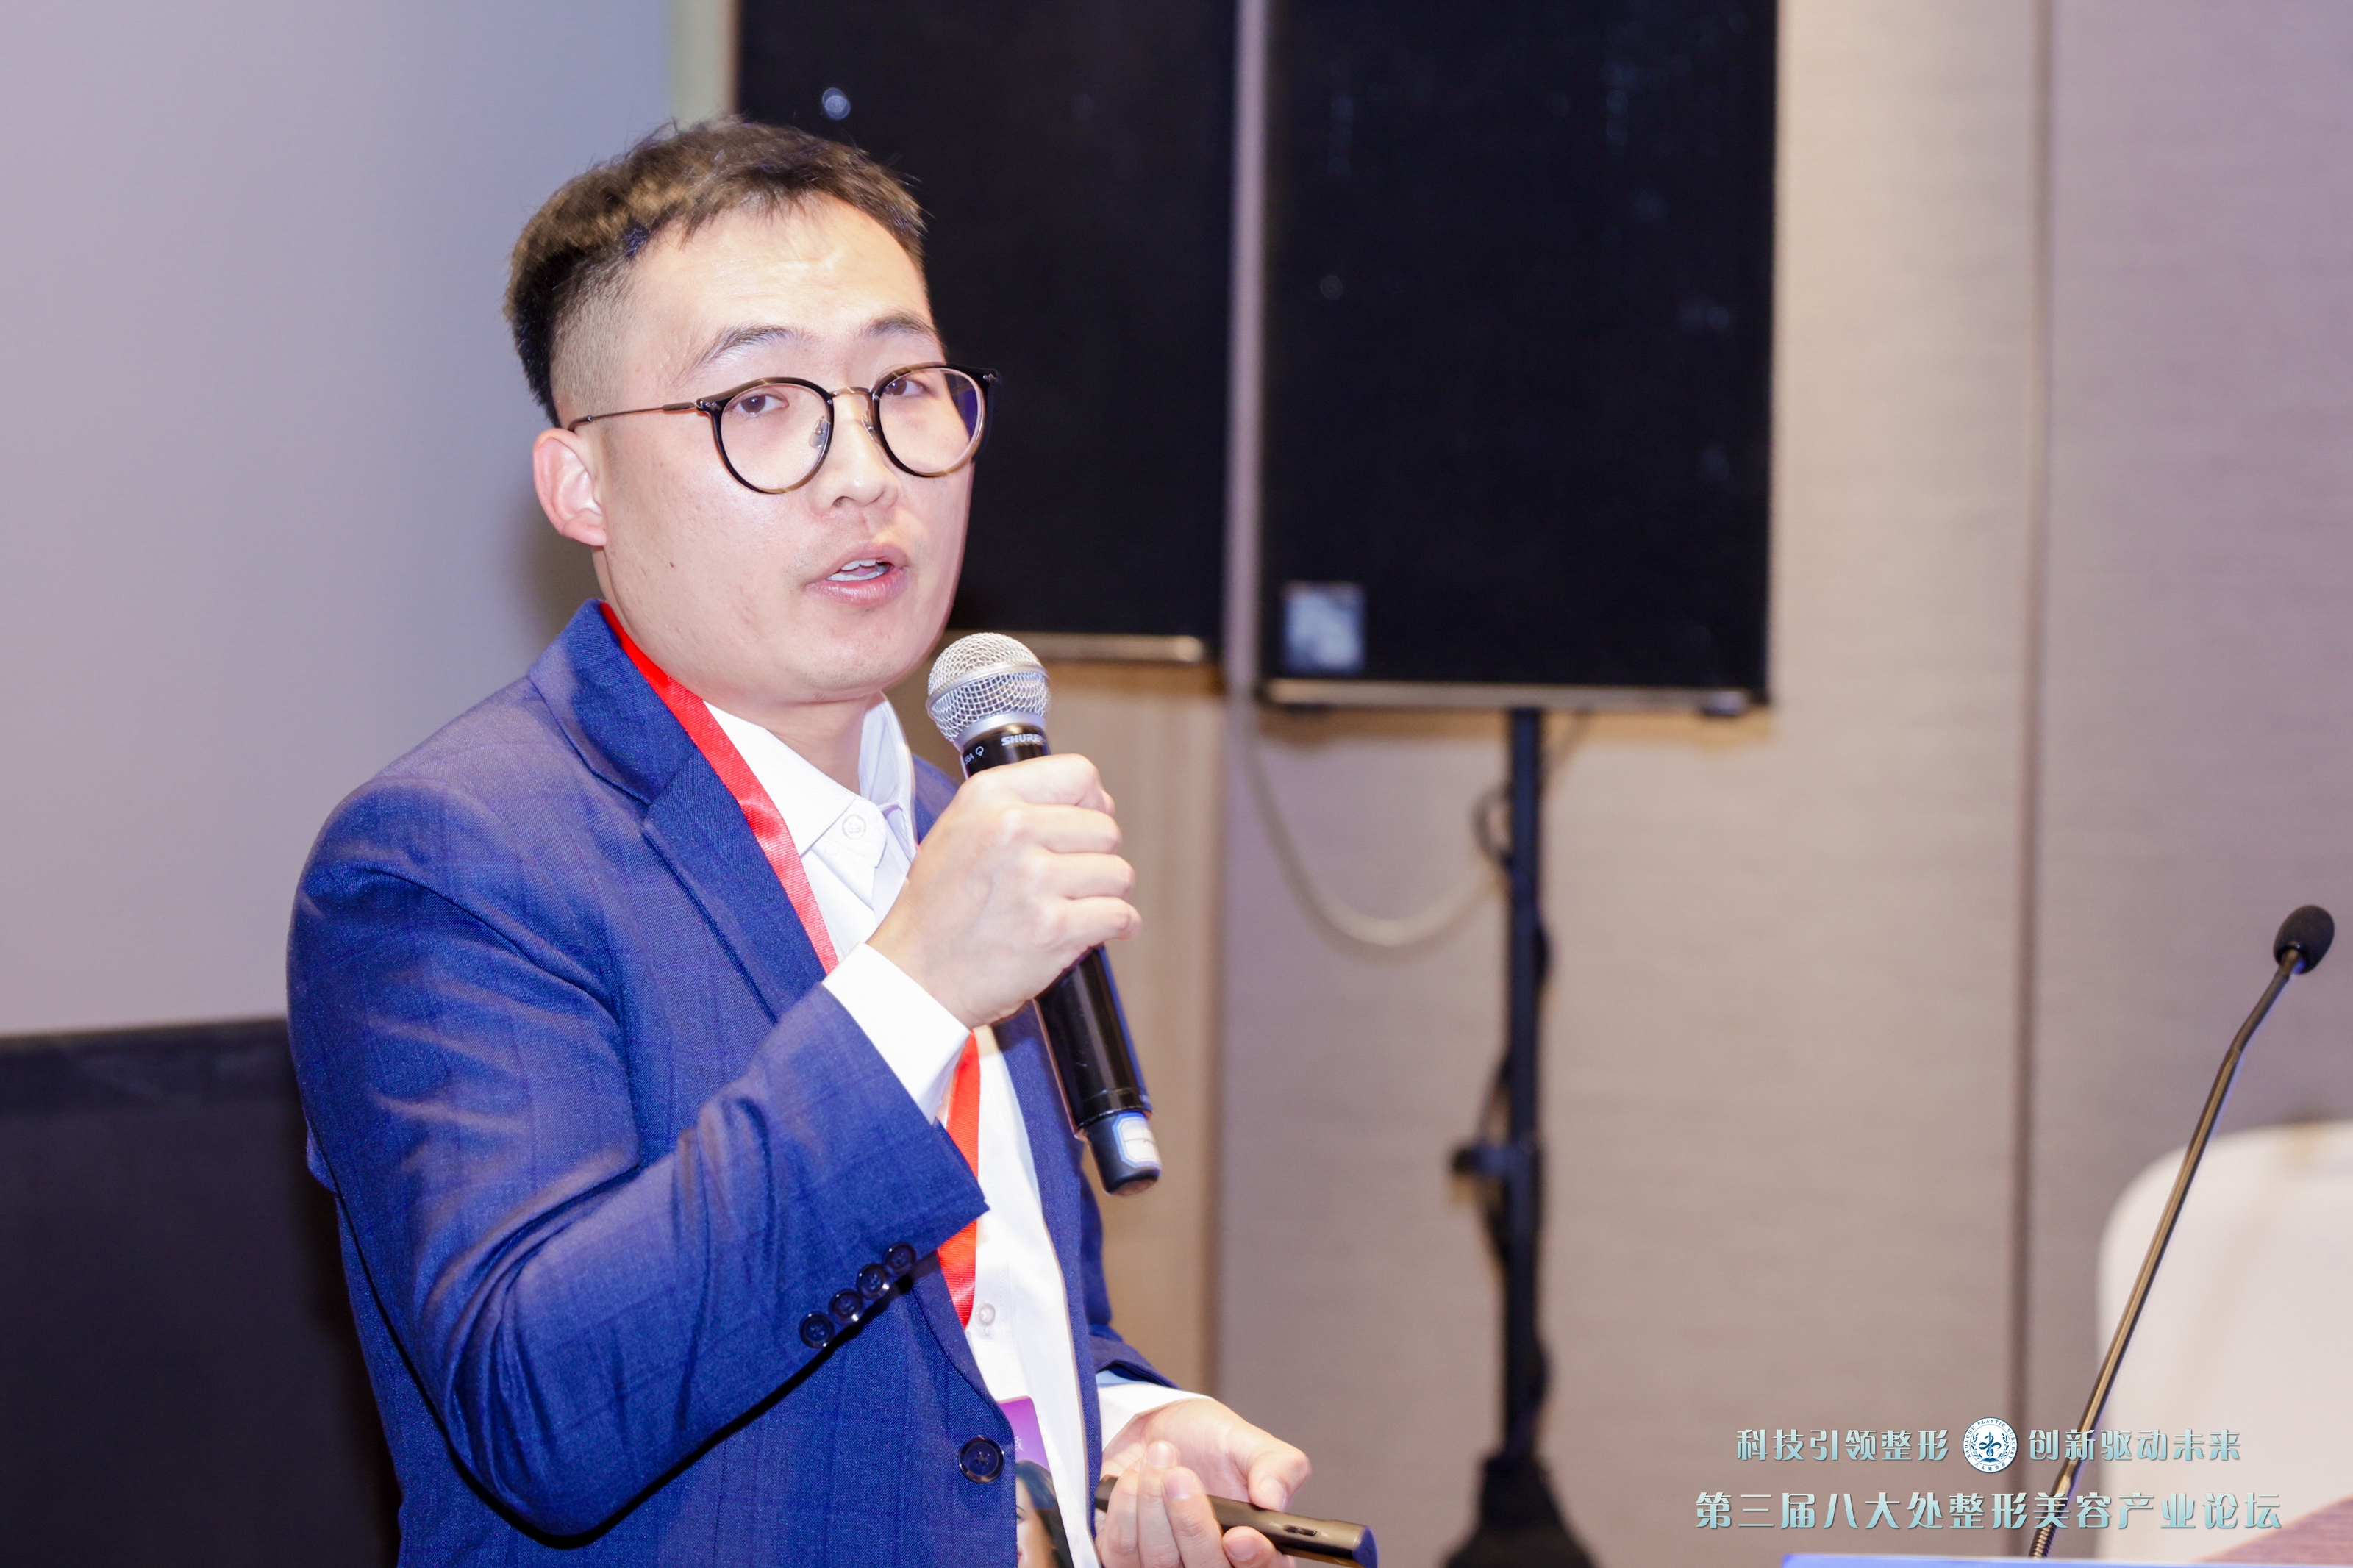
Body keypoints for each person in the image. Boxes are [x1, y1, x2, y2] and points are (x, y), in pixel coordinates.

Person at [288, 118, 1307, 1567]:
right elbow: (545, 1403)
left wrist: (1122, 1418)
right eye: (761, 401)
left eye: (904, 387)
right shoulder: (447, 859)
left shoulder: (959, 828)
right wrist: (910, 994)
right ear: (581, 484)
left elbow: (962, 1320)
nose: (864, 471)